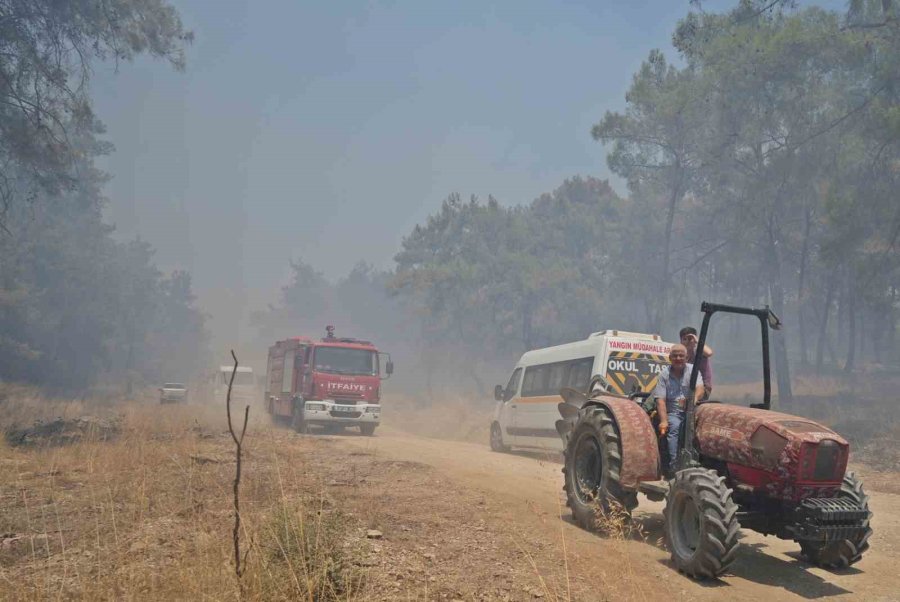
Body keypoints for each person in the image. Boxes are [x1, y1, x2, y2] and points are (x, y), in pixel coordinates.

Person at [654, 344, 705, 477]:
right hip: (674, 413)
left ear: (686, 358)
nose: (678, 358)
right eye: (675, 356)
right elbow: (660, 400)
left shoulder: (693, 370)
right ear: (670, 358)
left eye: (681, 356)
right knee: (674, 427)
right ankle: (674, 466)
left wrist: (692, 400)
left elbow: (700, 389)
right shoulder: (664, 375)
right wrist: (664, 421)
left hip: (692, 410)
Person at [679, 326, 713, 401]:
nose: (687, 342)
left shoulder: (699, 352)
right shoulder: (681, 357)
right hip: (686, 386)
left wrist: (697, 341)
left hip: (703, 387)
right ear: (681, 342)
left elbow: (709, 353)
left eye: (690, 339)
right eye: (685, 339)